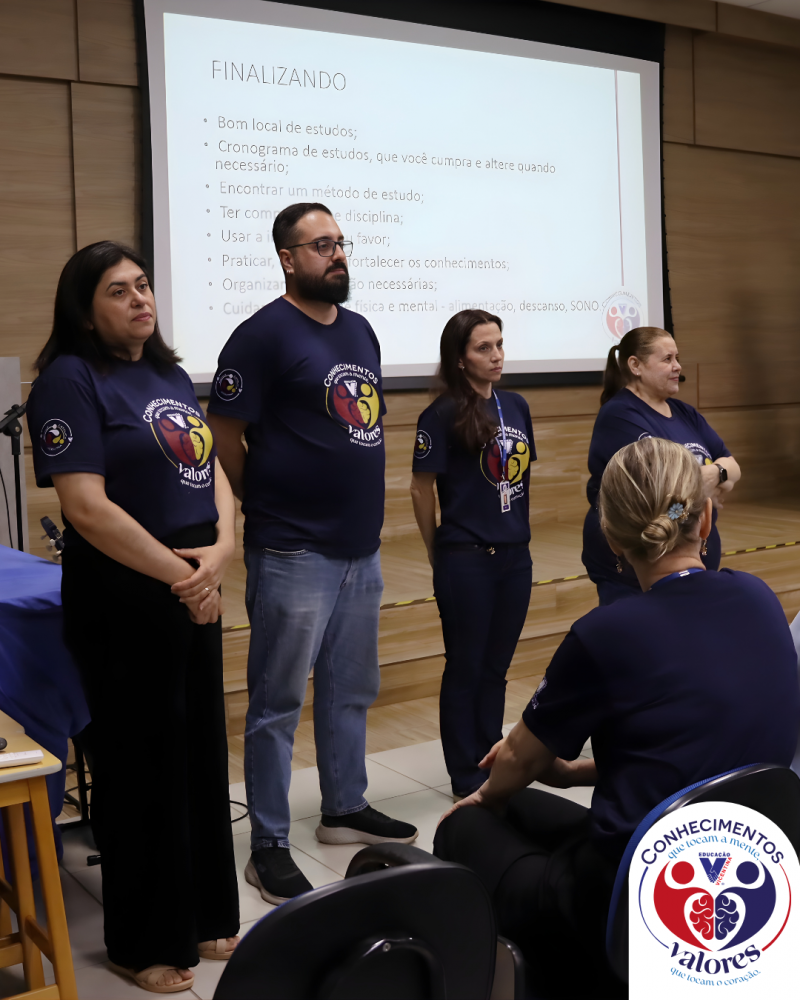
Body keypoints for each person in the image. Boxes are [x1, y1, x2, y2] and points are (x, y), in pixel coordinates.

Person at [434, 437, 799, 998]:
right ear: (706, 519)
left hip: (632, 903)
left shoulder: (606, 634)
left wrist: (488, 795)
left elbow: (516, 760)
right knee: (525, 805)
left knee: (465, 823)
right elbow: (694, 752)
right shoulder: (759, 597)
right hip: (750, 875)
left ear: (611, 540)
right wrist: (574, 774)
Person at [27, 242, 240, 994]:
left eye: (143, 285)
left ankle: (206, 914)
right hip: (125, 595)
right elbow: (85, 507)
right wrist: (186, 576)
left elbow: (212, 470)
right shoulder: (68, 379)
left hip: (195, 585)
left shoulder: (169, 375)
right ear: (85, 311)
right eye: (118, 291)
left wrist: (222, 547)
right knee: (140, 767)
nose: (140, 299)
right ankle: (141, 940)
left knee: (198, 754)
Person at [207, 202, 418, 906]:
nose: (337, 254)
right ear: (287, 258)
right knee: (276, 703)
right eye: (321, 244)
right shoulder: (260, 335)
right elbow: (223, 435)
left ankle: (343, 807)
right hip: (292, 549)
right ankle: (268, 844)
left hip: (361, 549)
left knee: (350, 689)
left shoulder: (359, 329)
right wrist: (263, 502)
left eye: (340, 242)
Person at [410, 310, 535, 799]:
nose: (497, 355)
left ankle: (490, 757)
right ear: (460, 359)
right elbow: (421, 490)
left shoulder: (516, 405)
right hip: (466, 555)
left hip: (515, 556)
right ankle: (465, 773)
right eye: (484, 348)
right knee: (466, 667)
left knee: (496, 669)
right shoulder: (440, 414)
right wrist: (437, 551)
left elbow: (518, 480)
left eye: (499, 344)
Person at [582, 326, 741, 605]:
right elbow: (659, 492)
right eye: (667, 359)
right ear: (635, 365)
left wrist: (716, 473)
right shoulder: (619, 415)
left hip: (692, 565)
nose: (677, 366)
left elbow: (733, 467)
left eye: (677, 358)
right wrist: (705, 485)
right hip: (636, 572)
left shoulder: (684, 412)